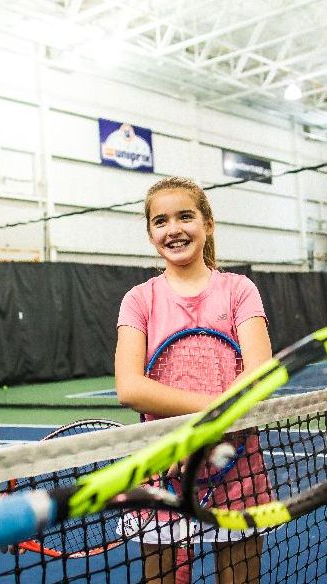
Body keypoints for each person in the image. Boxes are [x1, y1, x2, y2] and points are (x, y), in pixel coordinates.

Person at [114, 176, 273, 584]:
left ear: (208, 224)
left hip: (237, 469)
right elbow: (130, 388)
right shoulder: (139, 299)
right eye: (160, 221)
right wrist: (205, 423)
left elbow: (258, 378)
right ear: (150, 233)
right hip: (163, 467)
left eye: (186, 217)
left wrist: (209, 431)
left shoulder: (240, 290)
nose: (174, 229)